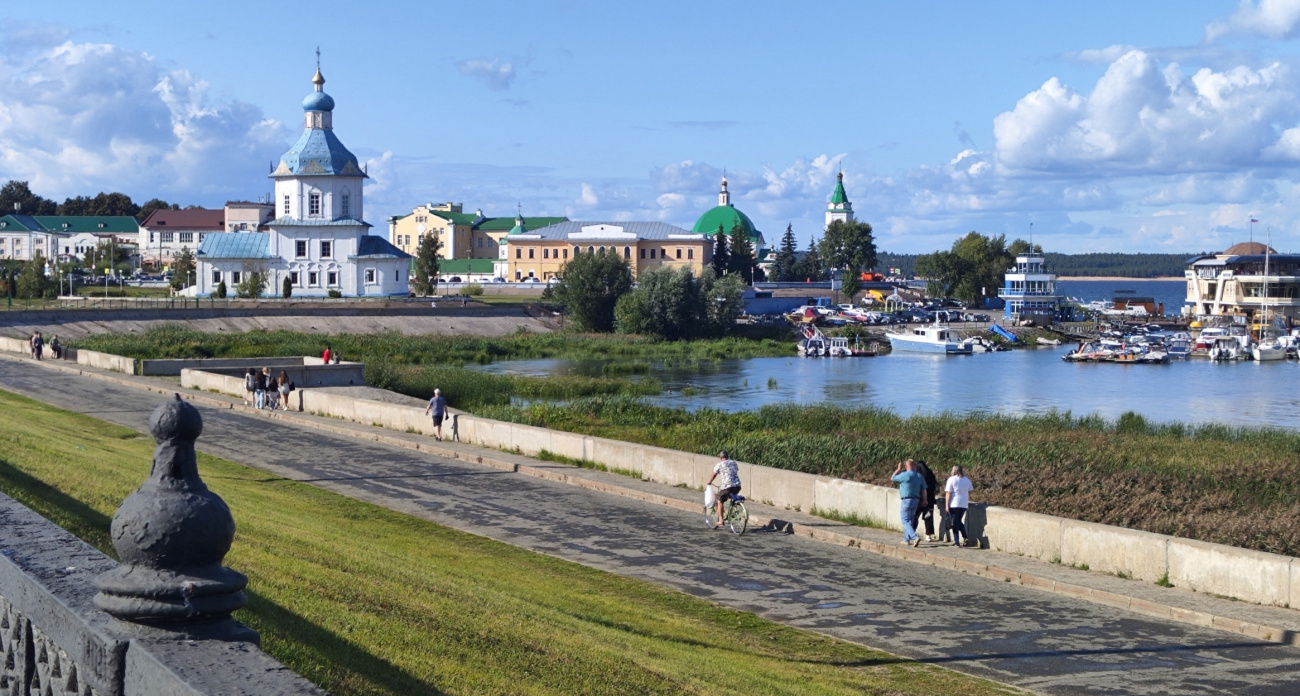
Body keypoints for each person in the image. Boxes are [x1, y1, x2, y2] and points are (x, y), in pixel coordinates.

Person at [891, 459, 927, 547]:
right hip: (916, 500)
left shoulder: (904, 475)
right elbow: (924, 489)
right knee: (910, 520)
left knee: (905, 520)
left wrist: (898, 469)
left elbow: (892, 478)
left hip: (906, 500)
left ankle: (915, 537)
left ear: (906, 466)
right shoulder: (919, 476)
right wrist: (925, 500)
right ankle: (906, 540)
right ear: (914, 466)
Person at [706, 451, 742, 529]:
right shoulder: (734, 463)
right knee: (730, 497)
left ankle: (721, 520)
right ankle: (734, 511)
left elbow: (713, 475)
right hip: (737, 485)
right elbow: (734, 471)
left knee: (719, 500)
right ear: (727, 456)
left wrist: (709, 482)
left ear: (721, 458)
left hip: (727, 486)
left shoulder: (719, 465)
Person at [944, 465, 974, 548]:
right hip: (964, 504)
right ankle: (965, 537)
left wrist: (946, 505)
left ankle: (957, 541)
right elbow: (970, 491)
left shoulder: (952, 479)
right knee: (958, 521)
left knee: (955, 523)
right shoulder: (967, 480)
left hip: (954, 503)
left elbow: (948, 493)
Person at [911, 460, 939, 543]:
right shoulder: (930, 475)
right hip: (929, 500)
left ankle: (912, 533)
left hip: (918, 499)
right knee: (928, 517)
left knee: (915, 516)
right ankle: (928, 535)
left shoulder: (917, 476)